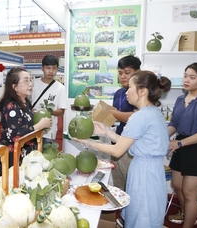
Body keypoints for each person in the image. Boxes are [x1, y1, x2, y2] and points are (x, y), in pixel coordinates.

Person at [73, 71, 171, 228]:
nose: (126, 92)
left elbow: (118, 151)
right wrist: (106, 131)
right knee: (147, 214)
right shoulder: (153, 113)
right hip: (151, 172)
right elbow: (129, 144)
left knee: (142, 216)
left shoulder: (140, 117)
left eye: (130, 87)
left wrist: (88, 142)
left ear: (142, 91)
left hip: (144, 175)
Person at [167, 62, 197, 227]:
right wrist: (161, 138)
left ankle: (188, 224)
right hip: (180, 144)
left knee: (190, 193)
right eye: (185, 76)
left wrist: (180, 143)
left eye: (192, 77)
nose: (186, 80)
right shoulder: (181, 98)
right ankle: (185, 214)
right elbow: (174, 123)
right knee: (177, 185)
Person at [0, 67, 52, 168]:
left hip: (24, 153)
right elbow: (14, 136)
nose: (30, 84)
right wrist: (39, 126)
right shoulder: (12, 106)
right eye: (26, 81)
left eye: (30, 80)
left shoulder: (25, 103)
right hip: (13, 157)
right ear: (15, 87)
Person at [109, 55, 141, 191]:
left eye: (127, 73)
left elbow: (136, 117)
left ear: (138, 72)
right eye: (120, 73)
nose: (123, 76)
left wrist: (111, 112)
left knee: (132, 186)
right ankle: (121, 213)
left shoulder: (141, 93)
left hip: (132, 146)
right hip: (117, 141)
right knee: (119, 185)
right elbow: (115, 117)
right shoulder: (119, 93)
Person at [31, 54, 66, 145]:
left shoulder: (60, 88)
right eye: (48, 68)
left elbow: (61, 111)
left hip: (49, 131)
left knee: (47, 156)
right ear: (42, 68)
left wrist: (47, 112)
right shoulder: (33, 84)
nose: (51, 71)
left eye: (54, 68)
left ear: (57, 69)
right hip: (32, 128)